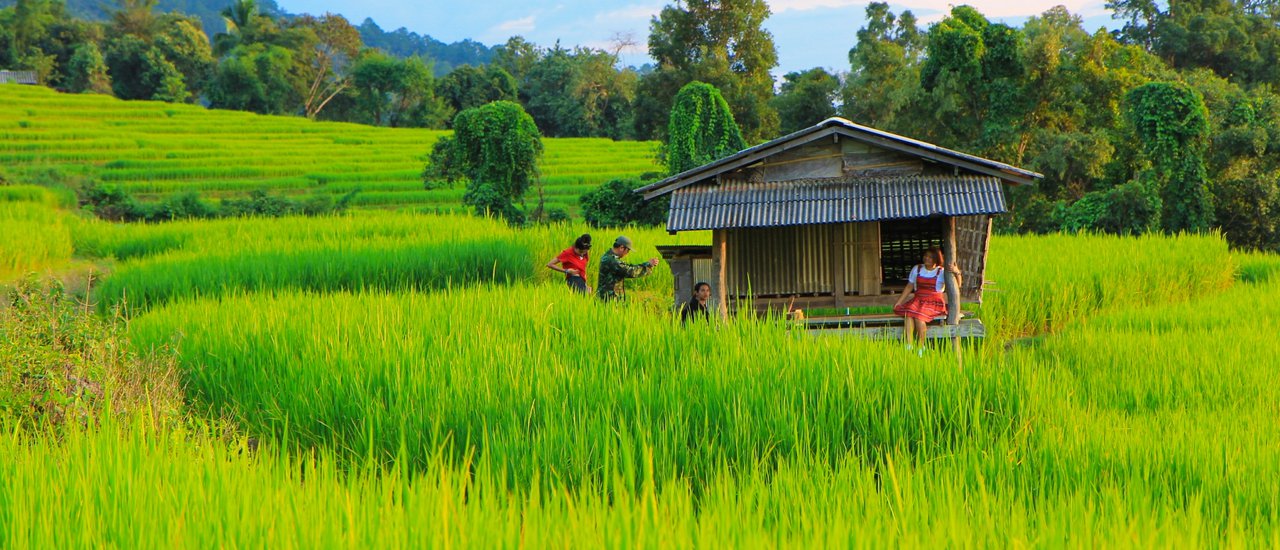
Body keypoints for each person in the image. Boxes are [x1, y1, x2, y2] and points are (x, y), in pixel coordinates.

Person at [892, 248, 962, 354]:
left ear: (936, 259)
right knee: (909, 313)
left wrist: (957, 273)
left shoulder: (941, 272)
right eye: (926, 256)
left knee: (919, 317)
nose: (926, 258)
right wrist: (899, 302)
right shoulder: (917, 269)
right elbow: (909, 286)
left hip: (934, 302)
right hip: (918, 299)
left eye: (930, 257)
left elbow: (958, 285)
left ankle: (921, 347)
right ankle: (909, 345)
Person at [596, 235, 659, 301]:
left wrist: (647, 264)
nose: (627, 253)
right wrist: (648, 265)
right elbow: (630, 271)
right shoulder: (612, 261)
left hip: (607, 297)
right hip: (608, 300)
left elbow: (628, 267)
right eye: (628, 250)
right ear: (621, 248)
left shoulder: (608, 256)